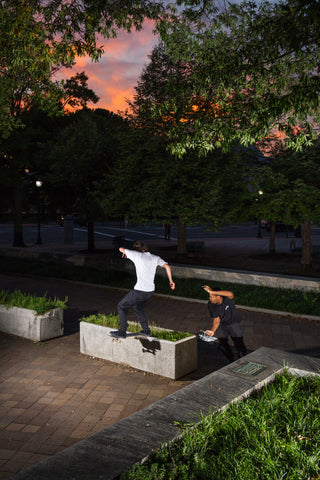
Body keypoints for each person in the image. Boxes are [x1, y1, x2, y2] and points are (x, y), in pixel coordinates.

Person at [110, 241, 175, 338]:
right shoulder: (155, 257)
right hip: (150, 292)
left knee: (121, 306)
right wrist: (171, 281)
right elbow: (167, 266)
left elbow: (120, 249)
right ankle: (146, 330)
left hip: (139, 291)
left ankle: (122, 331)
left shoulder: (137, 255)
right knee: (138, 308)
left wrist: (126, 252)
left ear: (137, 250)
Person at [203, 285, 247, 362]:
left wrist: (211, 291)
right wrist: (212, 331)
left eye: (211, 296)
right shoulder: (211, 304)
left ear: (219, 297)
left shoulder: (228, 299)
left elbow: (230, 293)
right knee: (222, 344)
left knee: (238, 342)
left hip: (233, 322)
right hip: (221, 324)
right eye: (209, 296)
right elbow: (216, 320)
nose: (210, 298)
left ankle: (243, 357)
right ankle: (231, 358)